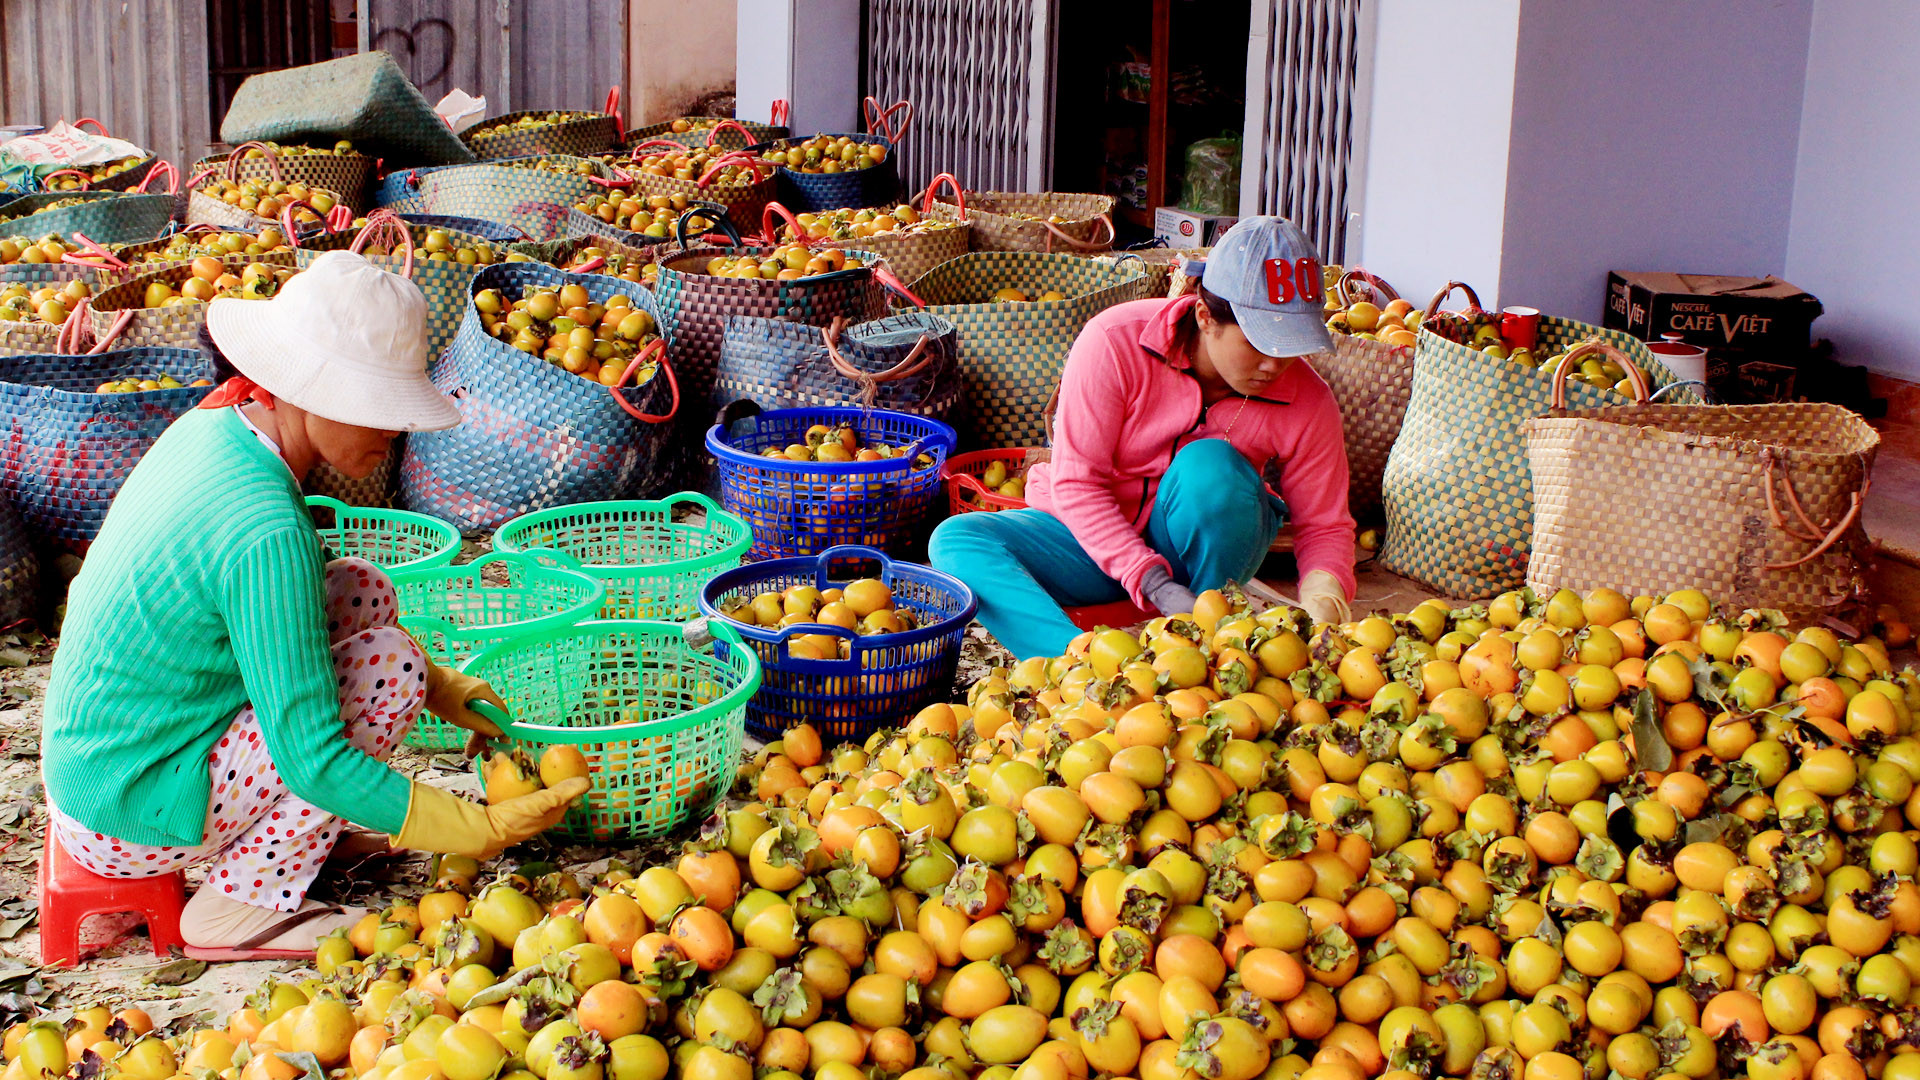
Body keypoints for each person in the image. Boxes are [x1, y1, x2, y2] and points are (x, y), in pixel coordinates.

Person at [40, 252, 587, 961]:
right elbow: (312, 759)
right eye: (382, 410)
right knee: (387, 671)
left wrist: (443, 687)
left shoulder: (221, 428)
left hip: (108, 757)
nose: (396, 433)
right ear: (312, 389)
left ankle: (301, 837)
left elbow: (287, 618)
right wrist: (470, 826)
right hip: (128, 810)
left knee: (362, 587)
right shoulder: (263, 524)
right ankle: (236, 910)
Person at [930, 217, 1356, 660]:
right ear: (1205, 316)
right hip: (1087, 543)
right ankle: (1074, 668)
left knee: (1212, 468)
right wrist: (1150, 579)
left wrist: (1325, 598)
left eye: (1290, 346)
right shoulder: (1115, 342)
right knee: (957, 539)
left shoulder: (1308, 400)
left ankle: (1208, 646)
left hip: (1197, 565)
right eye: (1260, 343)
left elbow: (1325, 526)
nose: (1275, 364)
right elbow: (1078, 483)